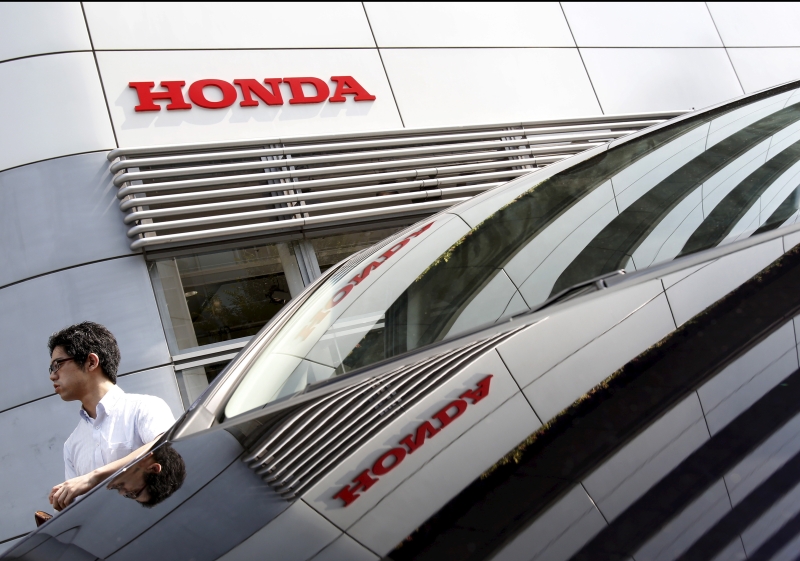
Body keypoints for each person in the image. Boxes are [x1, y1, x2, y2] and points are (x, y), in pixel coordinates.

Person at [47, 321, 176, 511]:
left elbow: (165, 446)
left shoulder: (144, 407)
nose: (52, 376)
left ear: (91, 362)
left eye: (57, 365)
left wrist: (93, 477)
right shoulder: (72, 445)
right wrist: (64, 501)